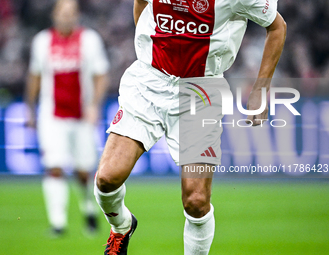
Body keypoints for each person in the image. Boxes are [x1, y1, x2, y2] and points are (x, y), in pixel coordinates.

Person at [94, 0, 286, 254]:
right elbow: (141, 3)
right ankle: (121, 227)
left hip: (201, 91)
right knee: (107, 179)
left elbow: (277, 27)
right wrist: (147, 48)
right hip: (148, 83)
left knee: (196, 201)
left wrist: (261, 88)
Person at [26, 0, 109, 235]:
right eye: (63, 13)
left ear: (77, 16)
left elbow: (101, 75)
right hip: (52, 115)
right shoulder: (42, 42)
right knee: (54, 166)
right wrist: (30, 109)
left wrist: (94, 105)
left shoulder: (89, 40)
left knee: (83, 170)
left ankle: (88, 209)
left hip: (82, 115)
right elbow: (35, 76)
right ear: (54, 15)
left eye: (71, 13)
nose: (67, 17)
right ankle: (58, 223)